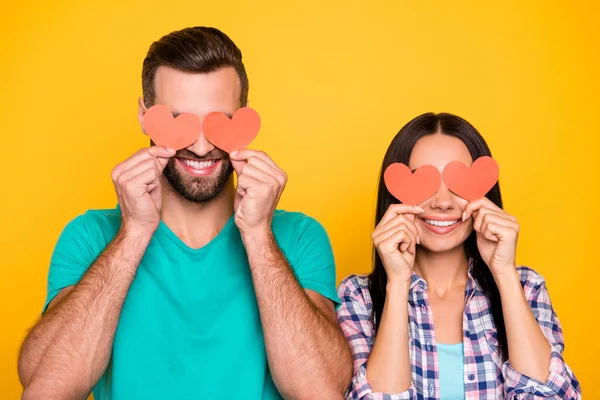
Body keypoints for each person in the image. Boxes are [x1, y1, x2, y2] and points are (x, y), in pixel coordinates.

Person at [18, 26, 352, 400]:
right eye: (179, 122)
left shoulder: (298, 236)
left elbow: (321, 391)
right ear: (145, 116)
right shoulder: (91, 235)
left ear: (242, 118)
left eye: (218, 122)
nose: (200, 146)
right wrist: (133, 234)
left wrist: (258, 235)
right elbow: (45, 390)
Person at [336, 112, 581, 399]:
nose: (442, 203)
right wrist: (398, 282)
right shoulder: (358, 298)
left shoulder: (527, 287)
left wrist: (504, 272)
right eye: (422, 181)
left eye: (458, 182)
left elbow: (552, 396)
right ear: (396, 194)